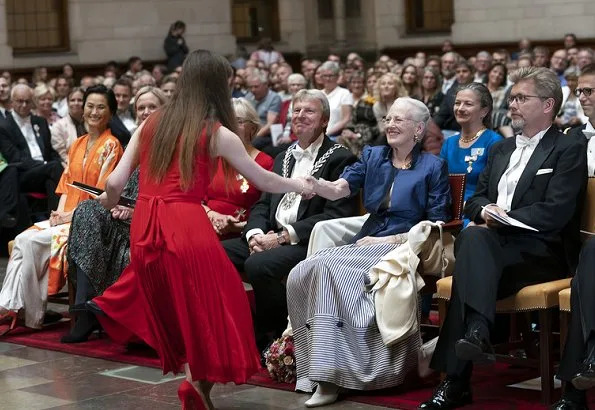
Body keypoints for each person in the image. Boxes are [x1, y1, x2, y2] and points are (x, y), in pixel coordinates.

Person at [87, 50, 316, 410]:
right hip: (185, 225)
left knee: (186, 310)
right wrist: (301, 184)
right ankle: (195, 384)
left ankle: (198, 389)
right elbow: (265, 179)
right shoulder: (215, 133)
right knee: (221, 305)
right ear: (214, 86)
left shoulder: (150, 123)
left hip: (146, 226)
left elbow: (115, 182)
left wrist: (102, 201)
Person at [419, 67, 587, 409]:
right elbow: (474, 199)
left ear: (548, 105)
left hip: (541, 253)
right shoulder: (501, 149)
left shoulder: (568, 148)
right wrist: (485, 212)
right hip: (495, 249)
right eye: (511, 98)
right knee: (475, 241)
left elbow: (555, 211)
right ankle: (476, 334)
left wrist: (504, 219)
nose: (512, 104)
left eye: (521, 98)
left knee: (472, 256)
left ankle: (457, 378)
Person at [287, 97, 451, 407]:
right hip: (368, 239)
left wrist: (390, 241)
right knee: (306, 268)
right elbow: (341, 188)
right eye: (388, 118)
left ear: (418, 129)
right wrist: (315, 185)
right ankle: (321, 367)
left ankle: (336, 377)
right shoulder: (373, 155)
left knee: (330, 270)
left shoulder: (434, 165)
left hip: (403, 246)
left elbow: (436, 220)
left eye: (398, 119)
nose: (390, 124)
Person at [222, 89, 358, 353]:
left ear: (324, 121)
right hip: (270, 235)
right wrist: (255, 234)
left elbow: (337, 214)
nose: (300, 116)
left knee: (259, 264)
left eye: (309, 111)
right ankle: (236, 329)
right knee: (215, 252)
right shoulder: (283, 156)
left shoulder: (340, 157)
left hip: (309, 242)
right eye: (296, 110)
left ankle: (272, 337)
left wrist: (283, 236)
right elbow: (262, 204)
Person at [0, 85, 124, 333]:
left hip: (89, 220)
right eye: (90, 106)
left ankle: (18, 312)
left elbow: (103, 196)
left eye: (101, 107)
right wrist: (58, 213)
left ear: (110, 112)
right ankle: (20, 311)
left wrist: (69, 216)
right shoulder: (77, 144)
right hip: (67, 215)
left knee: (31, 243)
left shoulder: (112, 146)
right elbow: (66, 186)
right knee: (22, 238)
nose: (94, 112)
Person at [60, 87, 167, 344]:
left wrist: (134, 209)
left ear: (164, 110)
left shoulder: (171, 144)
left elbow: (173, 196)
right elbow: (117, 187)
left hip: (155, 221)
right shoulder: (135, 142)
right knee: (87, 210)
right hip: (124, 215)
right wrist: (115, 204)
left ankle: (92, 310)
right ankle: (85, 308)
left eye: (151, 106)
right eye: (140, 108)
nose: (145, 112)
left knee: (91, 217)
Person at [552, 63, 595, 410]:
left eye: (590, 91)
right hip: (581, 245)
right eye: (580, 91)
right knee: (588, 266)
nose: (582, 98)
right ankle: (588, 361)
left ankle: (574, 391)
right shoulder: (571, 140)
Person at [203, 98, 274, 240]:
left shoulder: (265, 163)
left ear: (252, 128)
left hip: (241, 235)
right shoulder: (211, 157)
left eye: (238, 121)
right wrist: (212, 215)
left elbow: (267, 211)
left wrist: (240, 226)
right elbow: (195, 199)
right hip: (204, 225)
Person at [439, 83, 503, 226]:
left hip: (476, 216)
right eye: (457, 103)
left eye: (468, 104)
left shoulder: (494, 142)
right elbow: (439, 184)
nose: (460, 108)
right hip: (446, 213)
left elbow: (496, 190)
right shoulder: (449, 142)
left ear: (484, 111)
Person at [0, 84, 64, 212]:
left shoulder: (40, 121)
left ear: (32, 102)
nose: (24, 105)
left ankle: (55, 217)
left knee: (51, 179)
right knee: (54, 168)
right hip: (23, 174)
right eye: (20, 101)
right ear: (12, 102)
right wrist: (45, 164)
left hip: (45, 171)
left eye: (27, 101)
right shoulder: (4, 126)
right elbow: (15, 158)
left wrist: (61, 162)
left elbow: (49, 151)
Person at [50, 88, 86, 167]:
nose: (76, 103)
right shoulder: (58, 126)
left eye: (80, 100)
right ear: (67, 102)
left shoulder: (91, 124)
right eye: (72, 100)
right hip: (68, 165)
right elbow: (61, 154)